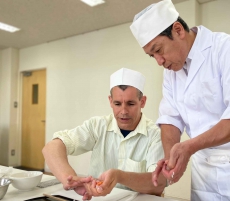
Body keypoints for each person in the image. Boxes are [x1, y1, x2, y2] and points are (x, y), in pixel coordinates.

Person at [130, 0, 230, 200]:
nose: (159, 61)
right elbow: (171, 118)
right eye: (151, 56)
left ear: (178, 30)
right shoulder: (171, 72)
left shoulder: (229, 48)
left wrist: (189, 147)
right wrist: (171, 158)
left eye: (159, 50)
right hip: (204, 172)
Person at [42, 68, 166, 200]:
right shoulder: (97, 126)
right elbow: (51, 148)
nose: (123, 111)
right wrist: (71, 179)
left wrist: (120, 176)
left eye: (130, 104)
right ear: (110, 101)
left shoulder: (156, 135)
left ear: (142, 102)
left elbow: (158, 183)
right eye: (117, 104)